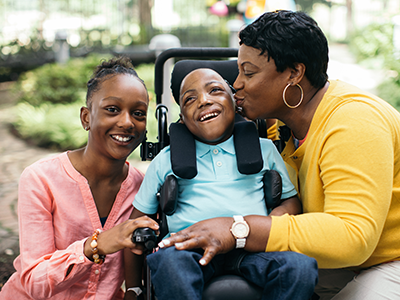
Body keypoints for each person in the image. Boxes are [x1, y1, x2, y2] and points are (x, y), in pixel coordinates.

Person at [157, 10, 400, 300]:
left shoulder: (354, 121)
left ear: (294, 73)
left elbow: (352, 236)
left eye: (248, 72)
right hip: (340, 262)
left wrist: (238, 228)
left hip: (387, 260)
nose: (237, 85)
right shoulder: (283, 126)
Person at [127, 68, 318, 300]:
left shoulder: (264, 150)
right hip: (189, 250)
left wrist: (269, 224)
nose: (204, 101)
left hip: (251, 246)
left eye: (215, 90)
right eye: (190, 99)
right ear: (182, 119)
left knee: (300, 267)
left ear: (235, 102)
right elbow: (136, 223)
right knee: (168, 264)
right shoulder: (165, 160)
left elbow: (291, 202)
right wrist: (134, 288)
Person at [0, 57, 159, 300]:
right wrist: (98, 245)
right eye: (112, 109)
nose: (127, 122)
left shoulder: (142, 187)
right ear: (86, 117)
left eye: (138, 113)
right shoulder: (41, 179)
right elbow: (34, 284)